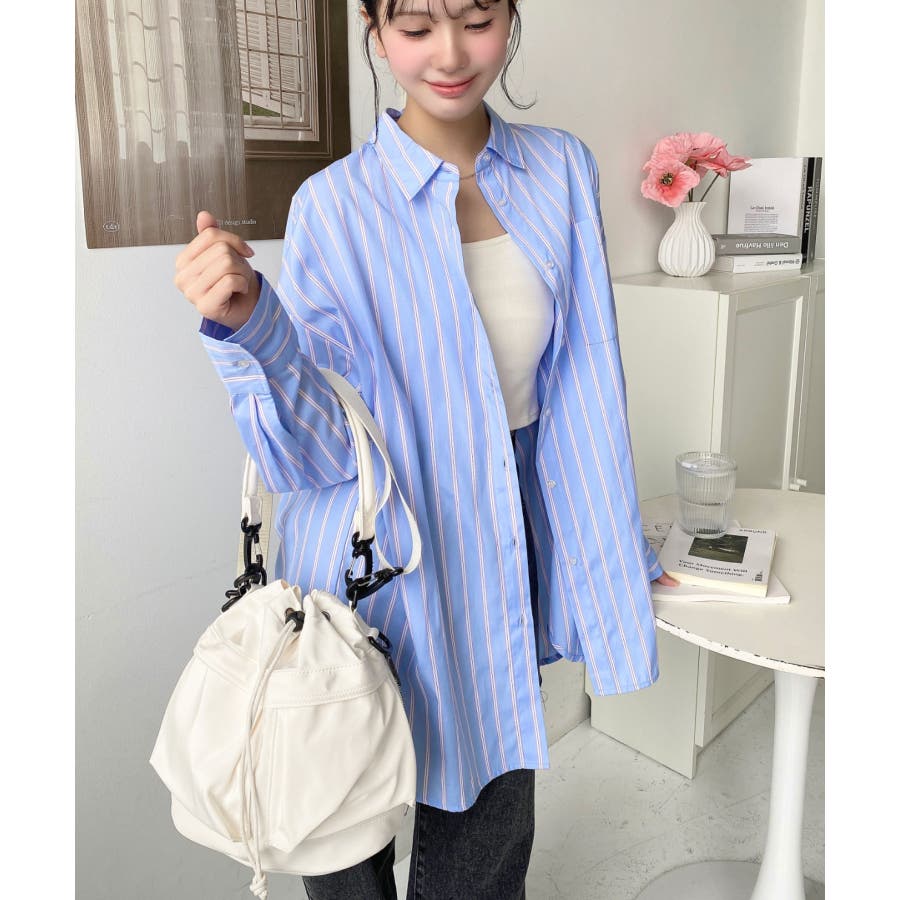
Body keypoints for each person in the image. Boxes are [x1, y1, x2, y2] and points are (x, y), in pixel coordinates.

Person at [174, 1, 677, 897]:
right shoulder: (334, 205)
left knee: (486, 831)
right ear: (375, 32)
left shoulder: (561, 170)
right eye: (414, 28)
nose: (449, 54)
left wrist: (614, 549)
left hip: (497, 546)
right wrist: (253, 328)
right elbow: (315, 454)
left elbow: (585, 382)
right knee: (337, 829)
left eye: (475, 19)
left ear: (510, 17)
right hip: (363, 562)